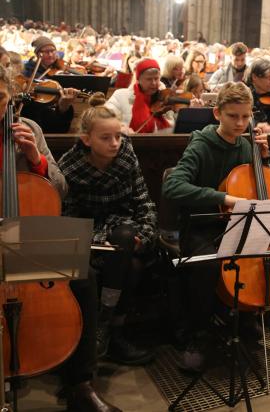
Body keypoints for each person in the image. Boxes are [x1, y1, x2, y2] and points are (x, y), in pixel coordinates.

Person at [0, 67, 120, 411]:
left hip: (22, 235)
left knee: (84, 275)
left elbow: (60, 188)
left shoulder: (30, 129)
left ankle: (80, 384)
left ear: (11, 97)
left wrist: (36, 160)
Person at [162, 82, 270, 369]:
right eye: (233, 116)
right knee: (207, 265)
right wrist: (222, 197)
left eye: (246, 117)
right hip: (201, 225)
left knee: (259, 254)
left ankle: (245, 319)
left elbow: (257, 189)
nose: (240, 123)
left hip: (234, 224)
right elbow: (173, 187)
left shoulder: (247, 146)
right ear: (217, 113)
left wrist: (263, 159)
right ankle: (200, 332)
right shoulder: (200, 144)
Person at [58, 97, 155, 366]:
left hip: (122, 233)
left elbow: (143, 200)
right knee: (131, 267)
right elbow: (67, 217)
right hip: (89, 240)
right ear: (87, 139)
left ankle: (105, 324)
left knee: (126, 238)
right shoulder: (69, 167)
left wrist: (145, 235)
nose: (115, 143)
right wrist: (91, 242)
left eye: (118, 136)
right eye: (105, 138)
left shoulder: (126, 155)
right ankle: (112, 331)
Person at [21, 36, 81, 133]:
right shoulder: (29, 70)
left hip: (58, 113)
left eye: (53, 51)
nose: (50, 54)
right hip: (38, 113)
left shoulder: (61, 68)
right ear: (37, 54)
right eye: (46, 51)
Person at [106, 58, 175, 133]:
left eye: (156, 78)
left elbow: (171, 124)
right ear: (138, 79)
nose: (154, 83)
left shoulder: (164, 99)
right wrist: (121, 128)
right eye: (149, 79)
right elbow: (105, 118)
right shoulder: (120, 95)